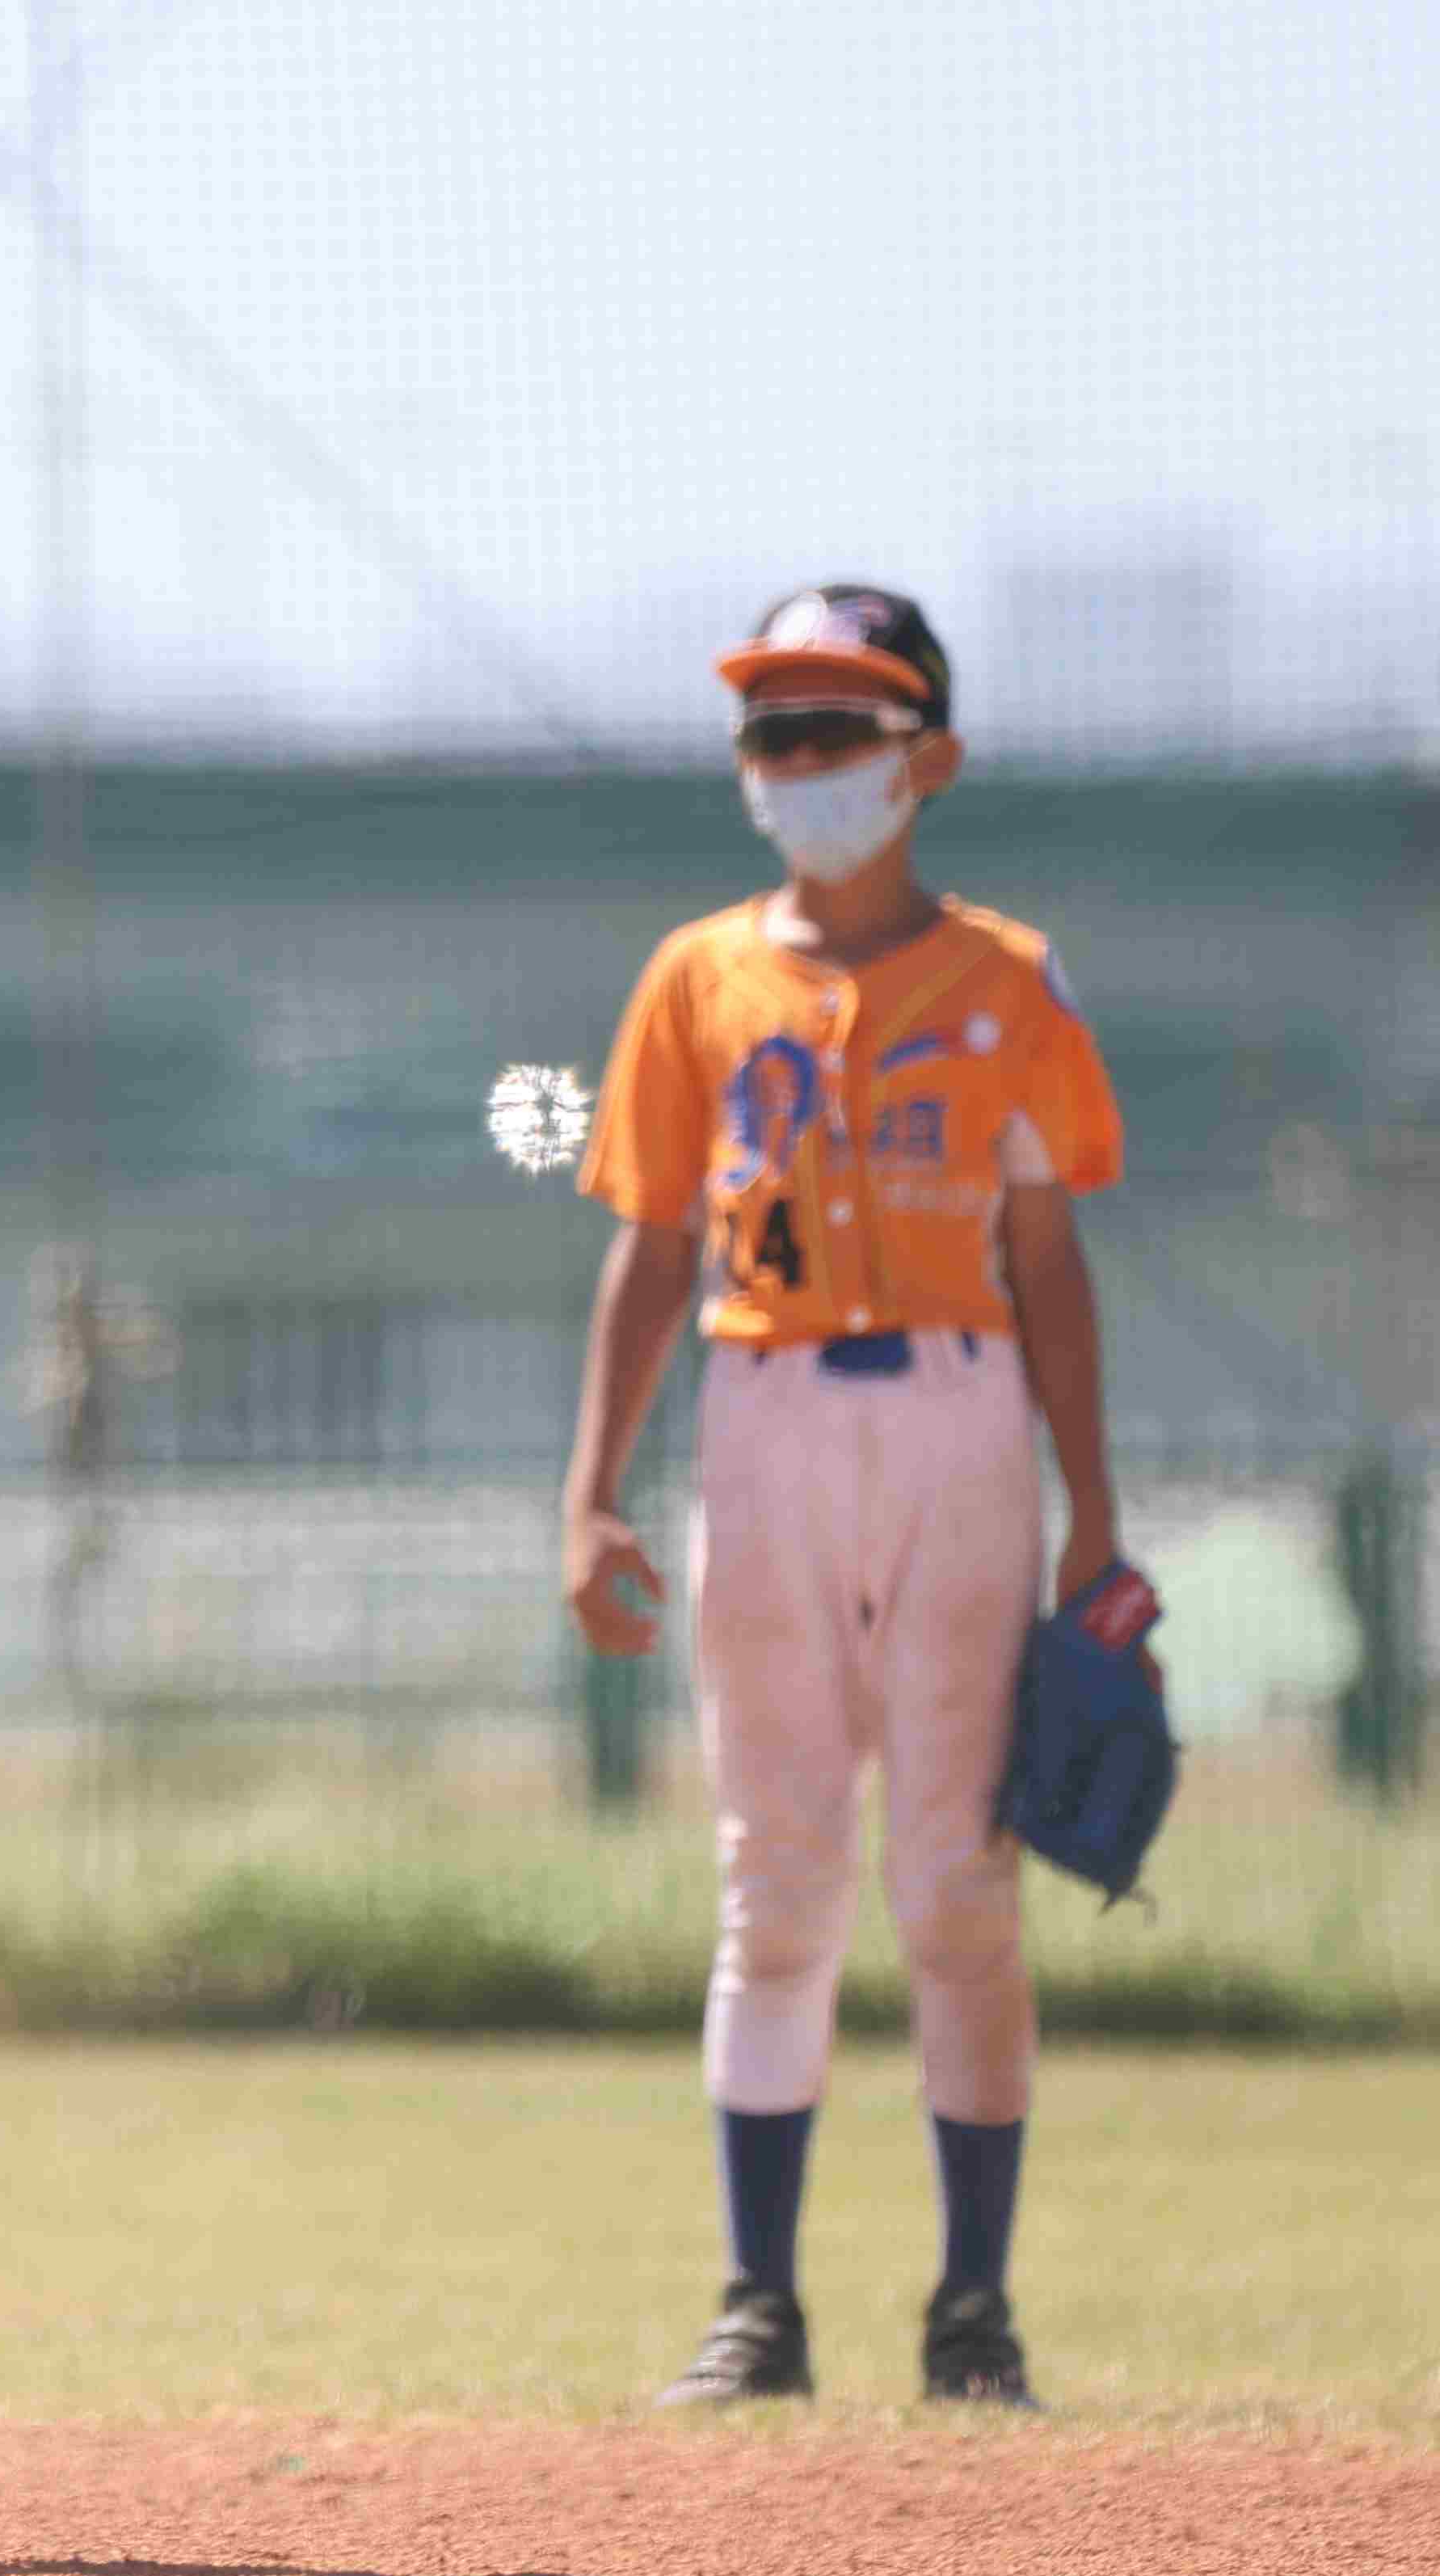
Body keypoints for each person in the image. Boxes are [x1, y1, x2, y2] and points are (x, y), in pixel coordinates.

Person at [558, 584, 1130, 2410]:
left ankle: (976, 2314)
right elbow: (655, 1247)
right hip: (766, 1414)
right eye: (769, 731)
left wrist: (1096, 1513)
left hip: (962, 1417)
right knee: (778, 1870)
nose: (793, 761)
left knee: (960, 1877)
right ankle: (758, 2310)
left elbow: (1050, 1261)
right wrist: (592, 1493)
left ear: (926, 759)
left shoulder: (1010, 981)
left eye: (834, 729)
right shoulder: (698, 977)